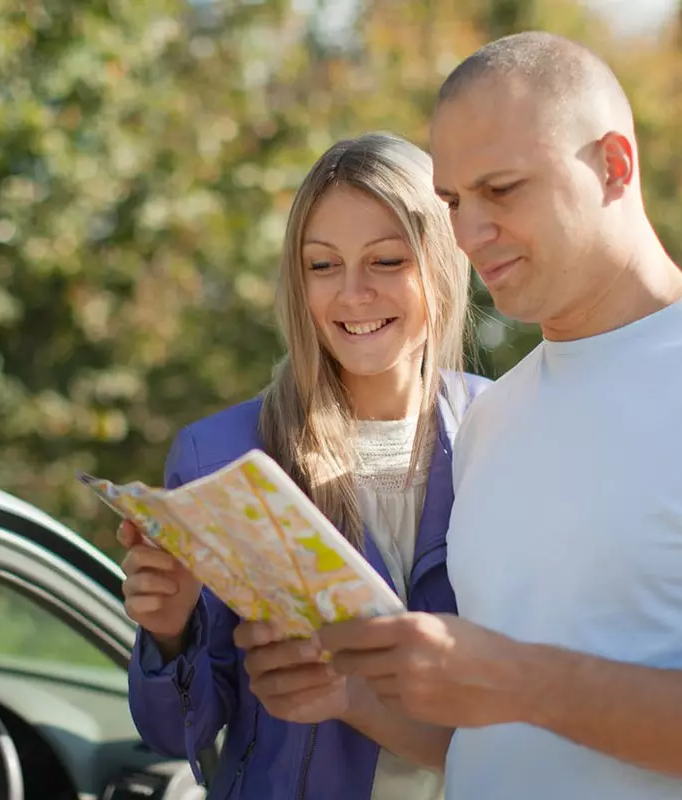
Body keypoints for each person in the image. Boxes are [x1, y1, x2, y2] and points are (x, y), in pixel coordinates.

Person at [235, 32, 682, 800]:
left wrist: (521, 681)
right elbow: (496, 738)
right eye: (454, 202)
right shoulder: (490, 421)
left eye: (502, 189)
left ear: (614, 165)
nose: (467, 233)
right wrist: (351, 699)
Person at [120, 131, 490, 800]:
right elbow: (178, 736)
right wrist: (169, 633)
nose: (352, 294)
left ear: (440, 263)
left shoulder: (509, 435)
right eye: (322, 265)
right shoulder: (220, 457)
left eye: (385, 261)